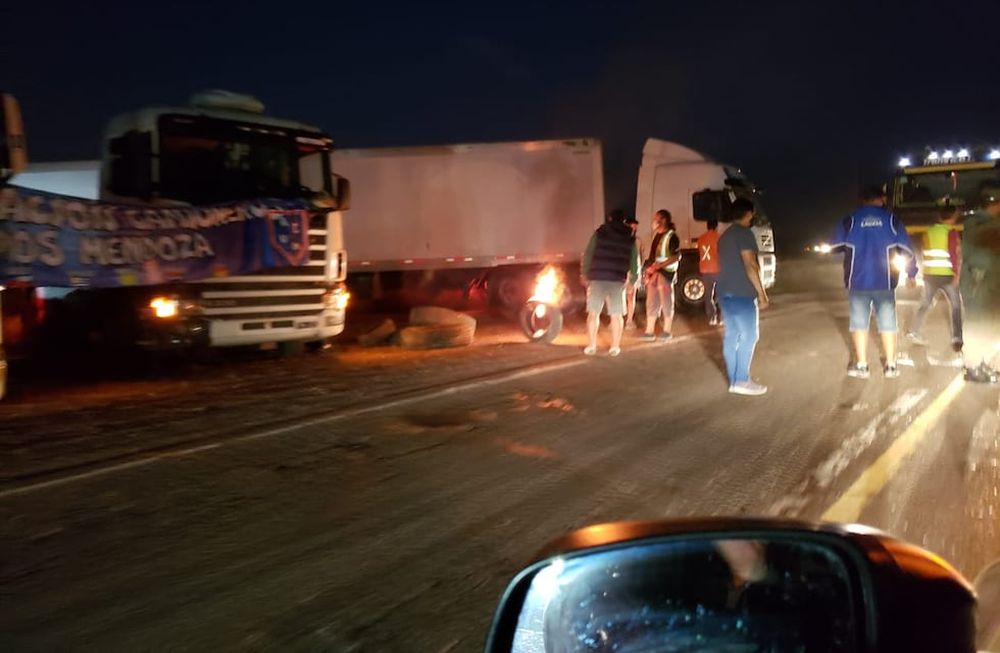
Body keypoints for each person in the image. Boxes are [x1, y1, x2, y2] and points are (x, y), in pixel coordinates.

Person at [831, 185, 918, 379]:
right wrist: (911, 273)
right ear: (881, 199)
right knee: (888, 324)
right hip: (885, 281)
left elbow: (835, 247)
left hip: (857, 281)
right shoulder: (892, 220)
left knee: (859, 324)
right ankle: (891, 366)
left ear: (862, 200)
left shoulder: (850, 220)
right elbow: (907, 249)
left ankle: (862, 366)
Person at [717, 198, 769, 395]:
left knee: (732, 335)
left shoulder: (725, 236)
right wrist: (762, 294)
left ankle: (734, 381)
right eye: (752, 213)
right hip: (742, 293)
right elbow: (750, 264)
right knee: (749, 336)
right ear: (748, 213)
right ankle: (741, 380)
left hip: (724, 292)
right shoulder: (744, 233)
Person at [906, 199, 963, 357]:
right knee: (956, 306)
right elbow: (955, 254)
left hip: (930, 274)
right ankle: (957, 337)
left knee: (925, 303)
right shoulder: (952, 232)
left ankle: (914, 331)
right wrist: (957, 274)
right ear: (954, 216)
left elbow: (924, 250)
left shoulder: (929, 232)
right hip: (947, 275)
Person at [581, 210, 642, 356]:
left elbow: (588, 254)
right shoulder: (629, 237)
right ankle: (615, 347)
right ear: (623, 221)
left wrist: (584, 273)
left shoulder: (599, 234)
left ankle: (591, 346)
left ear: (609, 218)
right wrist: (632, 281)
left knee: (593, 313)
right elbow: (634, 260)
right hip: (617, 279)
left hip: (597, 277)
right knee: (616, 315)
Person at [960, 182, 1000, 383]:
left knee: (990, 323)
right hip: (978, 281)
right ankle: (972, 366)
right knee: (977, 322)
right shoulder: (978, 224)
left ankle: (982, 362)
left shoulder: (984, 223)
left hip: (989, 281)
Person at [640, 209, 681, 342]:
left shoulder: (672, 236)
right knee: (651, 302)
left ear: (663, 220)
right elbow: (652, 257)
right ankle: (649, 331)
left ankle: (667, 331)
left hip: (666, 274)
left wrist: (659, 266)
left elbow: (676, 256)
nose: (653, 221)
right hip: (655, 274)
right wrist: (648, 271)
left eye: (656, 218)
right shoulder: (657, 236)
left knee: (666, 302)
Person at [697, 219, 722, 325]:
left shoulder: (701, 238)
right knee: (721, 294)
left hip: (704, 269)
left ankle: (712, 317)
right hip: (717, 269)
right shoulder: (718, 237)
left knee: (708, 296)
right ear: (716, 226)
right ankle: (722, 318)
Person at [623, 214, 643, 329]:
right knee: (620, 297)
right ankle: (617, 319)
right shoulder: (622, 240)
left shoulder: (637, 241)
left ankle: (629, 320)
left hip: (634, 272)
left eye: (635, 228)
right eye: (632, 227)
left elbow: (640, 256)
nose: (634, 230)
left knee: (631, 297)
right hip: (625, 272)